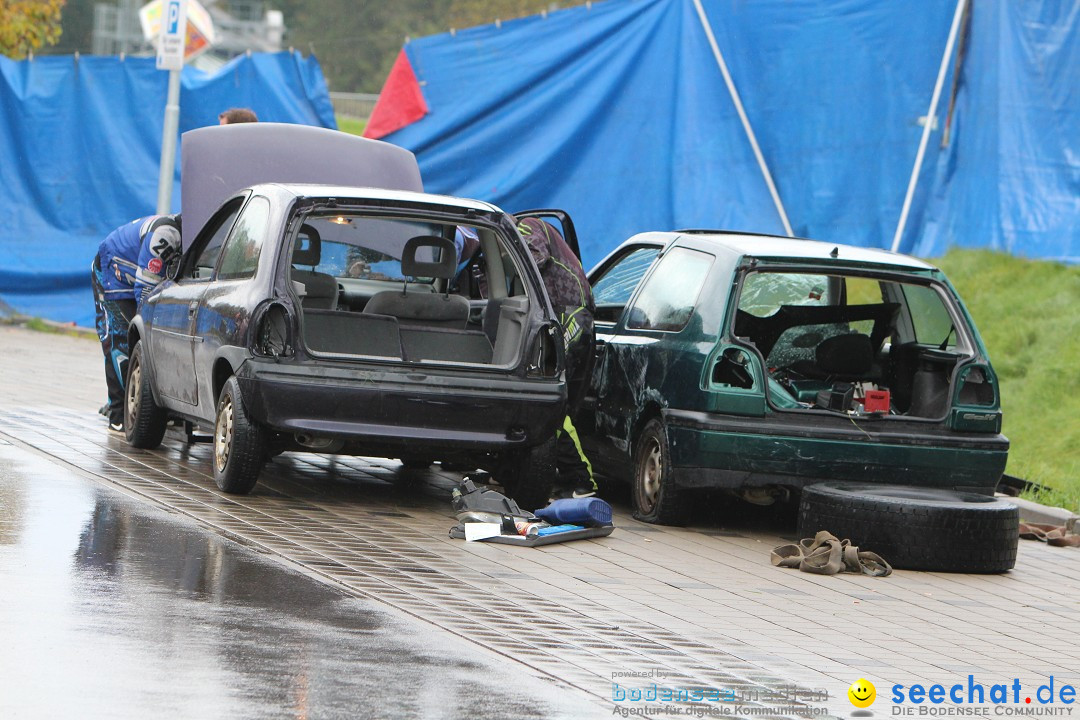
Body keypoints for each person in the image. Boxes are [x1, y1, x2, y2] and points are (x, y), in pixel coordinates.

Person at [516, 217, 598, 500]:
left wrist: (508, 265)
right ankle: (567, 478)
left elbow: (534, 256)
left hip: (569, 315)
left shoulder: (525, 225)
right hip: (571, 316)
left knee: (553, 406)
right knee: (563, 404)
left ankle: (580, 480)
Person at [92, 214, 182, 432]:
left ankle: (147, 404)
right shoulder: (166, 236)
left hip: (138, 273)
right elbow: (145, 292)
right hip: (113, 273)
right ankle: (118, 413)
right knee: (120, 339)